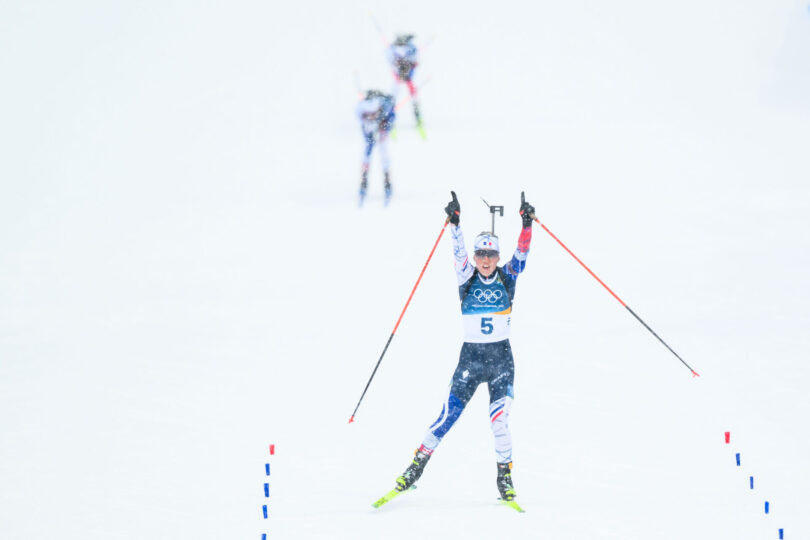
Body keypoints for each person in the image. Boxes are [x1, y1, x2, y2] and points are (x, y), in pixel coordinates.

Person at [391, 191, 536, 502]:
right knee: (447, 417)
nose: (485, 261)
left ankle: (504, 478)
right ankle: (414, 468)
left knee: (499, 421)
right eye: (481, 255)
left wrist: (526, 225)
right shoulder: (466, 277)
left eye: (490, 256)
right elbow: (457, 253)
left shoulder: (507, 278)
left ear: (497, 257)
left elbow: (522, 255)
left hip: (500, 362)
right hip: (470, 361)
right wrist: (455, 224)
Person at [356, 89, 396, 206]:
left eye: (373, 114)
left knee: (383, 150)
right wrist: (369, 129)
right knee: (368, 149)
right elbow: (362, 123)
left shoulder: (386, 108)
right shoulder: (360, 110)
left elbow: (392, 118)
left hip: (384, 123)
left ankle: (387, 180)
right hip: (369, 128)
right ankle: (364, 180)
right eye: (368, 114)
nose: (371, 116)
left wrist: (385, 126)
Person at [387, 34, 423, 133]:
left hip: (407, 77)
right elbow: (392, 63)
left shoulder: (411, 49)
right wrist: (399, 73)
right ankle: (389, 119)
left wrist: (407, 73)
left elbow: (415, 63)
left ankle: (418, 118)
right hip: (399, 77)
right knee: (393, 98)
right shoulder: (393, 49)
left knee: (414, 98)